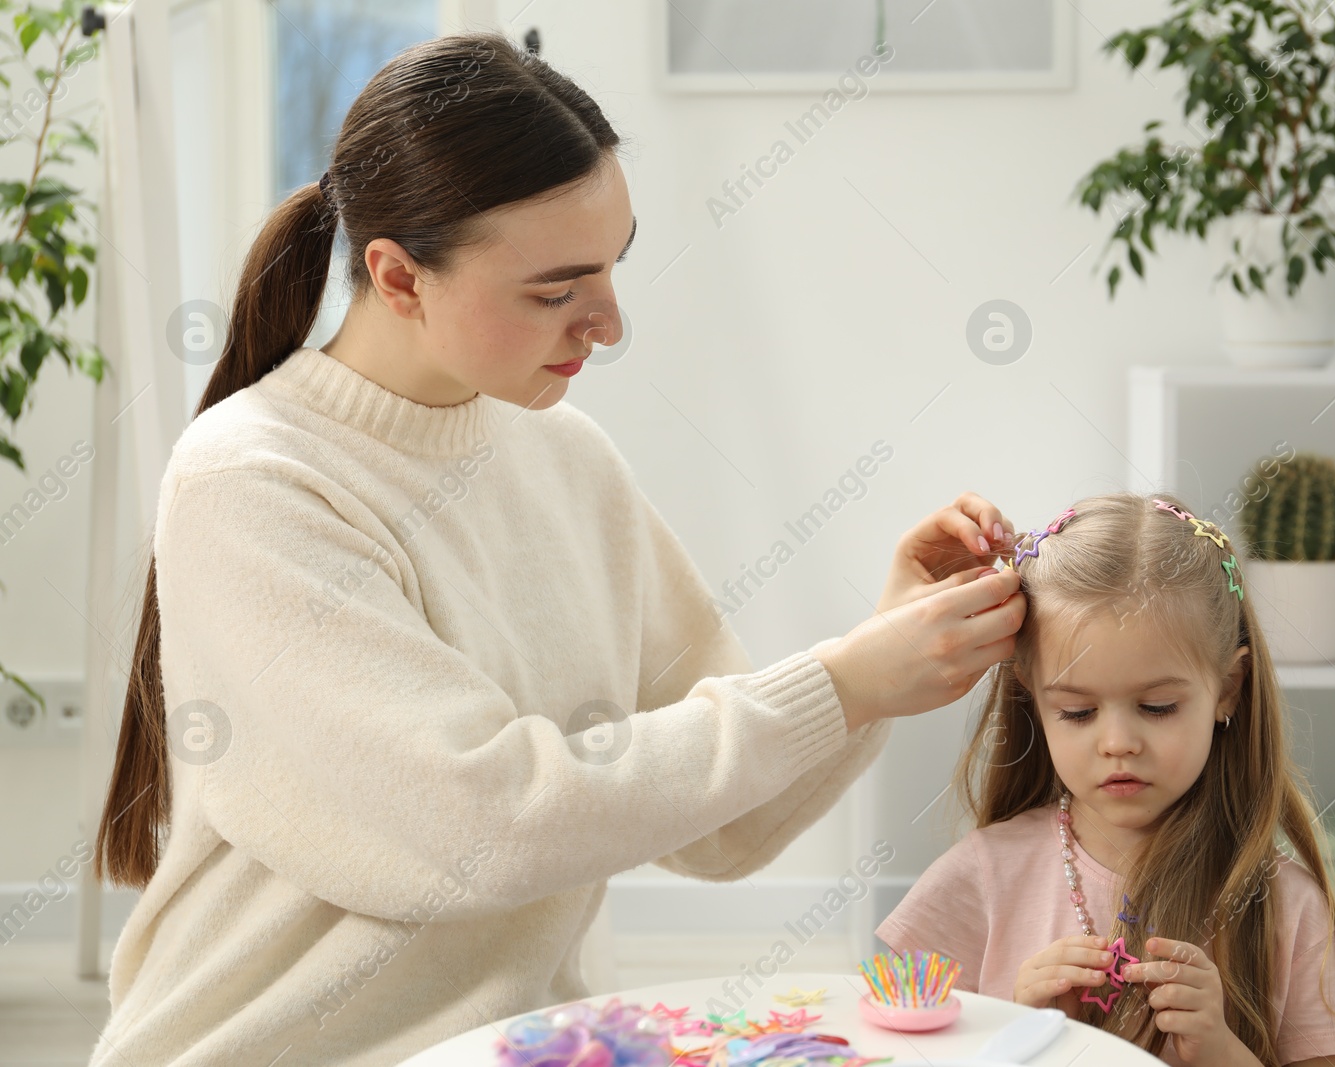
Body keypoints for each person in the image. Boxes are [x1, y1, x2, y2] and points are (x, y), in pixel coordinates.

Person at [88, 32, 1026, 1067]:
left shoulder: (564, 455)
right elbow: (479, 824)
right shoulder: (253, 481)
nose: (610, 323)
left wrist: (879, 660)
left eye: (615, 264)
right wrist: (841, 682)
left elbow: (723, 824)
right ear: (398, 278)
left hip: (529, 1045)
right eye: (555, 288)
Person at [876, 492, 1335, 1067]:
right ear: (1031, 698)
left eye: (1158, 706)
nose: (1118, 743)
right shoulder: (984, 875)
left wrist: (1219, 1052)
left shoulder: (1283, 905)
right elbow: (895, 1047)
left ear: (1228, 689)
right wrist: (1018, 1029)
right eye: (1077, 712)